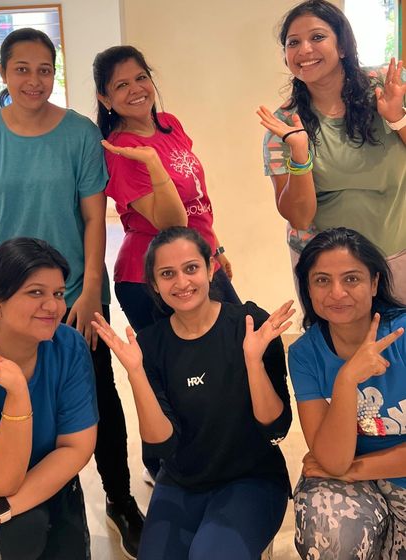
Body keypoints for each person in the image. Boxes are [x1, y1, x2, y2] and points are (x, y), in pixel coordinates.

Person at [0, 28, 142, 558]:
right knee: (3, 391)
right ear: (4, 73)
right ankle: (12, 488)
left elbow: (95, 217)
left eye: (44, 70)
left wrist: (91, 288)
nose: (34, 80)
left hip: (73, 293)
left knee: (96, 395)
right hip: (4, 296)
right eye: (22, 69)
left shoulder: (78, 133)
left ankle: (120, 499)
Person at [92, 226, 293, 560]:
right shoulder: (151, 345)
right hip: (182, 481)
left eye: (191, 268)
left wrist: (253, 363)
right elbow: (162, 444)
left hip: (252, 478)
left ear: (211, 269)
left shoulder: (249, 325)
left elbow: (276, 428)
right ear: (153, 284)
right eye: (167, 274)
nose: (182, 282)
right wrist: (136, 372)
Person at [258, 0, 406, 300]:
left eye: (317, 37)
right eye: (293, 43)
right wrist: (300, 154)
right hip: (327, 269)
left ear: (342, 46)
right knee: (337, 331)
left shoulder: (387, 86)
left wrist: (396, 118)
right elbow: (299, 218)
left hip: (398, 253)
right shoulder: (284, 125)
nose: (305, 50)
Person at [93, 46, 240, 334]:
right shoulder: (121, 151)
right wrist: (152, 162)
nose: (136, 89)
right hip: (151, 276)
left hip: (196, 258)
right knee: (191, 359)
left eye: (141, 78)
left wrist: (215, 248)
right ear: (105, 98)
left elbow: (196, 199)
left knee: (233, 342)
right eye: (121, 85)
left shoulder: (169, 124)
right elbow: (173, 223)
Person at [288, 227, 406, 559]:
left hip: (371, 473)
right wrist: (346, 380)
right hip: (344, 483)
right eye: (322, 280)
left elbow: (340, 466)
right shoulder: (304, 353)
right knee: (329, 530)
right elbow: (331, 460)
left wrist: (357, 469)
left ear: (374, 283)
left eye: (351, 279)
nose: (337, 293)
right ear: (308, 288)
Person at [0, 237, 98, 560]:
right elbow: (0, 480)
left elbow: (76, 447)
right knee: (24, 532)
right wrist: (18, 394)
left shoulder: (68, 345)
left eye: (59, 294)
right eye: (36, 292)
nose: (53, 306)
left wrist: (3, 509)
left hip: (47, 481)